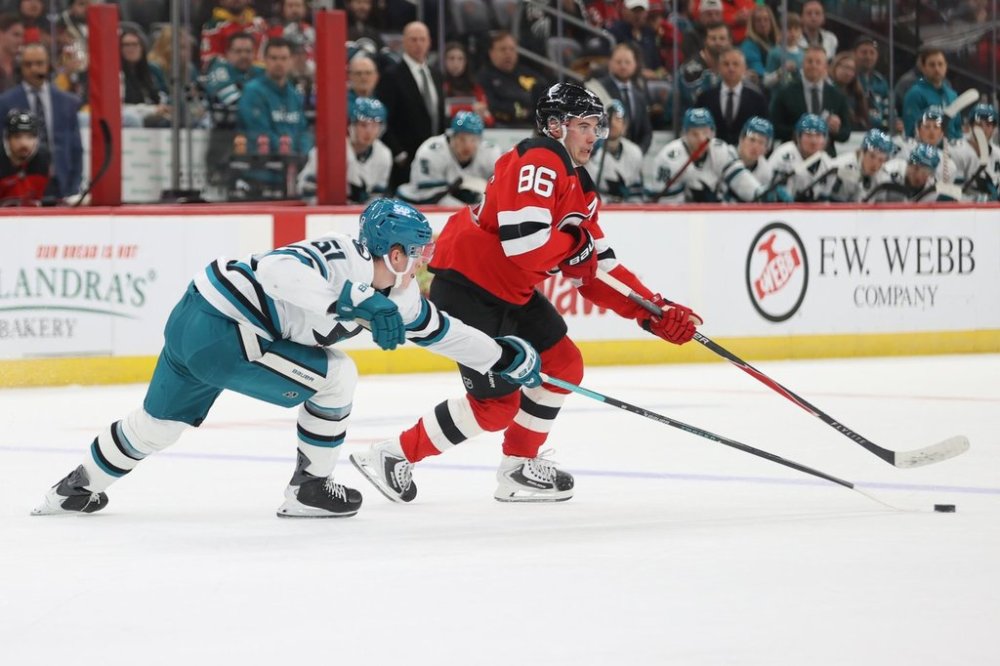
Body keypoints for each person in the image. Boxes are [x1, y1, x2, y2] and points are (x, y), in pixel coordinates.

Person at [32, 198, 543, 518]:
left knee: (156, 427)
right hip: (225, 330)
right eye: (416, 252)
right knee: (337, 377)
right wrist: (345, 299)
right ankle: (310, 489)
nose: (422, 263)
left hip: (196, 318)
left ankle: (74, 489)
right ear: (391, 253)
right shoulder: (342, 255)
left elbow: (440, 332)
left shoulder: (401, 294)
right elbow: (276, 267)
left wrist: (499, 355)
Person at [349, 83, 701, 504]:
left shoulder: (580, 188)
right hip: (467, 288)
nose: (593, 136)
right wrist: (575, 246)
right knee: (496, 407)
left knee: (564, 363)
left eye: (596, 127)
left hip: (510, 291)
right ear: (555, 127)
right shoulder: (539, 160)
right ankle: (392, 454)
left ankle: (518, 467)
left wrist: (652, 310)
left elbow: (599, 270)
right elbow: (526, 244)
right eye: (583, 125)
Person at [0, 42, 82, 198]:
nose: (34, 69)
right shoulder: (5, 103)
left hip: (61, 184)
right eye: (28, 64)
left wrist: (74, 187)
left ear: (48, 65)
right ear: (21, 68)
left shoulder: (67, 102)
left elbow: (76, 149)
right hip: (21, 185)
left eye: (39, 63)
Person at [375, 21, 445, 189]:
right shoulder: (391, 76)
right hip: (405, 161)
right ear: (404, 42)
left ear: (429, 42)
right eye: (413, 39)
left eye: (422, 39)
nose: (418, 44)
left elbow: (439, 116)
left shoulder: (436, 75)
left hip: (435, 159)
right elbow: (383, 120)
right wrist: (399, 154)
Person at [650, 107, 763, 203]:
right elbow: (665, 205)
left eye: (705, 132)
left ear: (713, 132)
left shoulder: (720, 149)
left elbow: (740, 179)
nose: (701, 139)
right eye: (695, 134)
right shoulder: (669, 158)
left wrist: (759, 193)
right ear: (685, 134)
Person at [297, 97, 392, 204]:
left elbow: (376, 198)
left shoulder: (384, 155)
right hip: (324, 213)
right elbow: (305, 189)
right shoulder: (331, 150)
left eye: (374, 126)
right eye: (363, 125)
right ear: (352, 125)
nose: (368, 131)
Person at [396, 110, 501, 206]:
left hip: (462, 206)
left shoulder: (490, 153)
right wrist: (466, 208)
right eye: (462, 139)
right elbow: (429, 196)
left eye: (473, 140)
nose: (467, 146)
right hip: (417, 205)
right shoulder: (432, 151)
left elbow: (500, 192)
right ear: (452, 136)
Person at [769, 45, 851, 155]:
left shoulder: (837, 96)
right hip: (792, 156)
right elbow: (774, 127)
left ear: (826, 67)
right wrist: (800, 133)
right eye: (810, 61)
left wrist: (836, 130)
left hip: (826, 158)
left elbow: (845, 134)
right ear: (802, 64)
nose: (813, 66)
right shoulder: (785, 93)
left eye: (818, 62)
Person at [237, 37, 311, 157]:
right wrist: (292, 153)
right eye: (274, 58)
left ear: (291, 60)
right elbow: (261, 134)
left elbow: (303, 131)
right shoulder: (253, 91)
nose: (279, 63)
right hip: (260, 166)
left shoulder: (294, 94)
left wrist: (305, 154)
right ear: (264, 59)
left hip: (292, 166)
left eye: (283, 58)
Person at [475, 30, 549, 128]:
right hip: (501, 128)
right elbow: (491, 106)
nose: (508, 54)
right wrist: (522, 111)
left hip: (531, 127)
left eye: (512, 49)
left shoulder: (529, 74)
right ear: (491, 53)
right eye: (503, 49)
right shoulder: (484, 77)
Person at [696, 47, 768, 146]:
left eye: (735, 64)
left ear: (744, 68)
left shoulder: (757, 99)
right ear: (719, 68)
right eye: (726, 64)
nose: (731, 68)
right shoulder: (705, 98)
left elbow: (764, 131)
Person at [595, 42, 652, 153]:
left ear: (635, 64)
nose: (623, 66)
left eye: (627, 62)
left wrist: (637, 154)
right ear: (610, 63)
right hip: (604, 156)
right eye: (619, 62)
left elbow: (647, 132)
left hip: (633, 159)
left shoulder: (639, 94)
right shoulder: (598, 89)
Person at [893, 106, 968, 186]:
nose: (932, 131)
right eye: (927, 126)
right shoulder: (905, 150)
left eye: (936, 127)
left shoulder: (948, 164)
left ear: (942, 133)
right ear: (918, 130)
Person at [767, 113, 835, 201]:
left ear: (825, 140)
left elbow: (824, 199)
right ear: (798, 137)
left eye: (818, 135)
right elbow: (769, 190)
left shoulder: (828, 164)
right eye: (808, 135)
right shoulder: (784, 155)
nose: (813, 141)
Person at [586, 99, 644, 202]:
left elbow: (637, 194)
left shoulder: (634, 152)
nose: (612, 123)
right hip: (597, 207)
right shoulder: (588, 151)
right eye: (608, 119)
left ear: (625, 125)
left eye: (617, 119)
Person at [902, 48, 961, 140]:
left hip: (952, 150)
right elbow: (911, 131)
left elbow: (958, 128)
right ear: (923, 68)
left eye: (940, 64)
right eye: (932, 65)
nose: (937, 69)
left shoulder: (952, 95)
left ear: (946, 66)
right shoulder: (914, 94)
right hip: (925, 150)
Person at [119, 28, 170, 128]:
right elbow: (119, 108)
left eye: (135, 44)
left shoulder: (150, 71)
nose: (131, 49)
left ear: (142, 47)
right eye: (126, 45)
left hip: (153, 116)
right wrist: (152, 110)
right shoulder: (117, 74)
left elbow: (160, 96)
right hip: (132, 118)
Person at [729, 116, 787, 202]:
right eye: (752, 140)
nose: (755, 146)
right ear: (741, 139)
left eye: (761, 142)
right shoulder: (726, 155)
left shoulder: (766, 172)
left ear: (767, 149)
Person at [876, 143, 957, 202]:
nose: (918, 175)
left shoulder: (934, 186)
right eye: (915, 168)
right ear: (908, 164)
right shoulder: (890, 170)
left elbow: (957, 193)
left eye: (925, 172)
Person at [828, 128, 893, 202]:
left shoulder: (884, 176)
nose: (875, 164)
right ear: (862, 152)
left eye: (881, 160)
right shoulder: (840, 166)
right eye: (872, 156)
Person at [199, 0, 268, 68]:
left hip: (261, 75)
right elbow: (208, 61)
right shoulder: (213, 28)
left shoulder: (260, 25)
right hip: (229, 76)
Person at [0, 109, 48, 204]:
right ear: (7, 139)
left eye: (30, 137)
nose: (24, 143)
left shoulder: (43, 160)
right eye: (17, 137)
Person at [441, 41, 493, 127]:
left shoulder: (475, 87)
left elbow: (489, 119)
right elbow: (443, 111)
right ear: (444, 61)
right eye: (451, 58)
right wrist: (471, 108)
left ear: (466, 62)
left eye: (460, 59)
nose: (456, 63)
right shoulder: (439, 85)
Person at [961, 103, 1000, 201]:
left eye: (988, 124)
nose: (983, 129)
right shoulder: (958, 151)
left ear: (994, 128)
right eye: (979, 124)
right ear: (970, 126)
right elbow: (950, 194)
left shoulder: (998, 154)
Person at [853, 36, 890, 132]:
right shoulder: (850, 78)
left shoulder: (881, 81)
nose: (868, 57)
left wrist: (893, 123)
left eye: (872, 53)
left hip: (879, 133)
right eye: (864, 52)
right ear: (854, 54)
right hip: (856, 133)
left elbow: (889, 109)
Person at [830, 52, 869, 132]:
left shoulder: (857, 94)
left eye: (852, 69)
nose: (848, 73)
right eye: (845, 67)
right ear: (835, 67)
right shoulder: (829, 91)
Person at [763, 12, 802, 91]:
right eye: (789, 29)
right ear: (781, 31)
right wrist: (780, 72)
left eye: (796, 29)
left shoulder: (803, 54)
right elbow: (766, 82)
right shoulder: (774, 53)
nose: (793, 33)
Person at [740, 4, 779, 84]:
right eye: (758, 20)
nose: (763, 24)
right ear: (752, 24)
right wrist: (779, 74)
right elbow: (759, 73)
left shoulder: (775, 42)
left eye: (766, 20)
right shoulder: (749, 45)